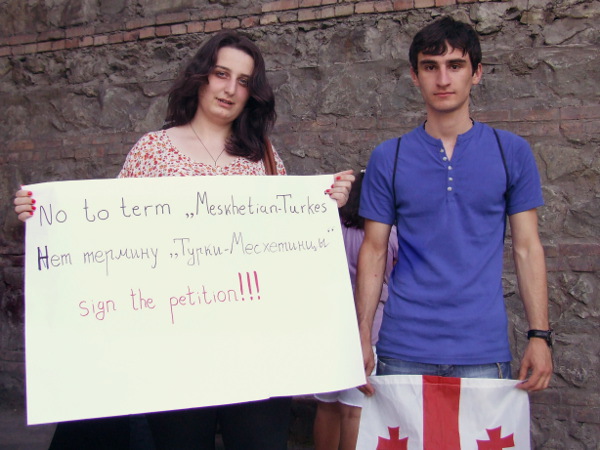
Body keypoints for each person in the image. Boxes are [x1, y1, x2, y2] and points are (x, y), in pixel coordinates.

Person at [14, 30, 354, 449]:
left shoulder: (262, 155)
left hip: (253, 345)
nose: (230, 89)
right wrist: (45, 217)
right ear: (200, 77)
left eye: (243, 81)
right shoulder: (152, 151)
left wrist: (323, 204)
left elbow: (284, 241)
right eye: (221, 74)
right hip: (174, 349)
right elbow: (107, 237)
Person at [355, 16, 553, 397]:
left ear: (476, 73)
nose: (443, 79)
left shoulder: (511, 152)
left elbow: (528, 248)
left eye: (455, 65)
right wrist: (363, 334)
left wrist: (539, 335)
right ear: (415, 76)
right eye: (430, 66)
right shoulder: (388, 157)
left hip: (482, 351)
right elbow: (374, 250)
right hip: (403, 348)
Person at [313, 171, 397, 450]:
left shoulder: (331, 228)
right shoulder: (389, 235)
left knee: (326, 406)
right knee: (354, 409)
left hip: (330, 326)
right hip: (369, 330)